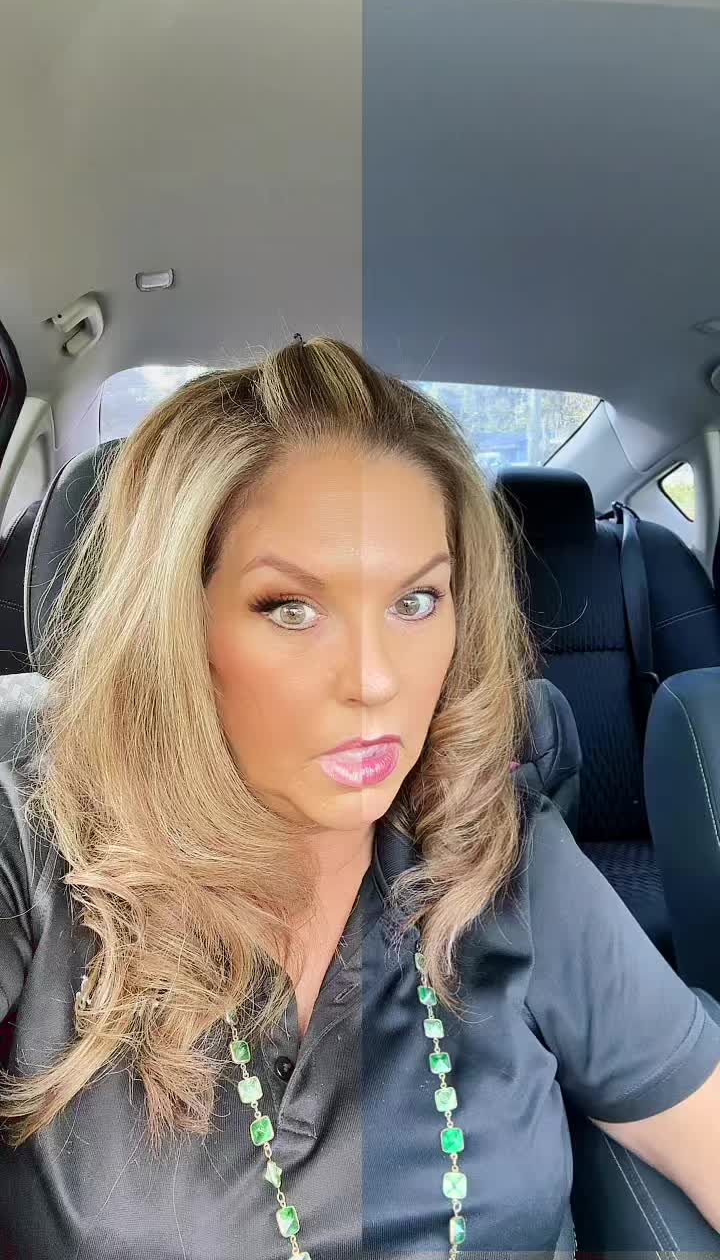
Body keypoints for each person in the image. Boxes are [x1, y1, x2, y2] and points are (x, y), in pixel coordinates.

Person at [0, 336, 718, 1259]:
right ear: (176, 624)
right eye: (290, 608)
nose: (376, 681)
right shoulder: (39, 845)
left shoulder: (506, 859)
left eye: (415, 602)